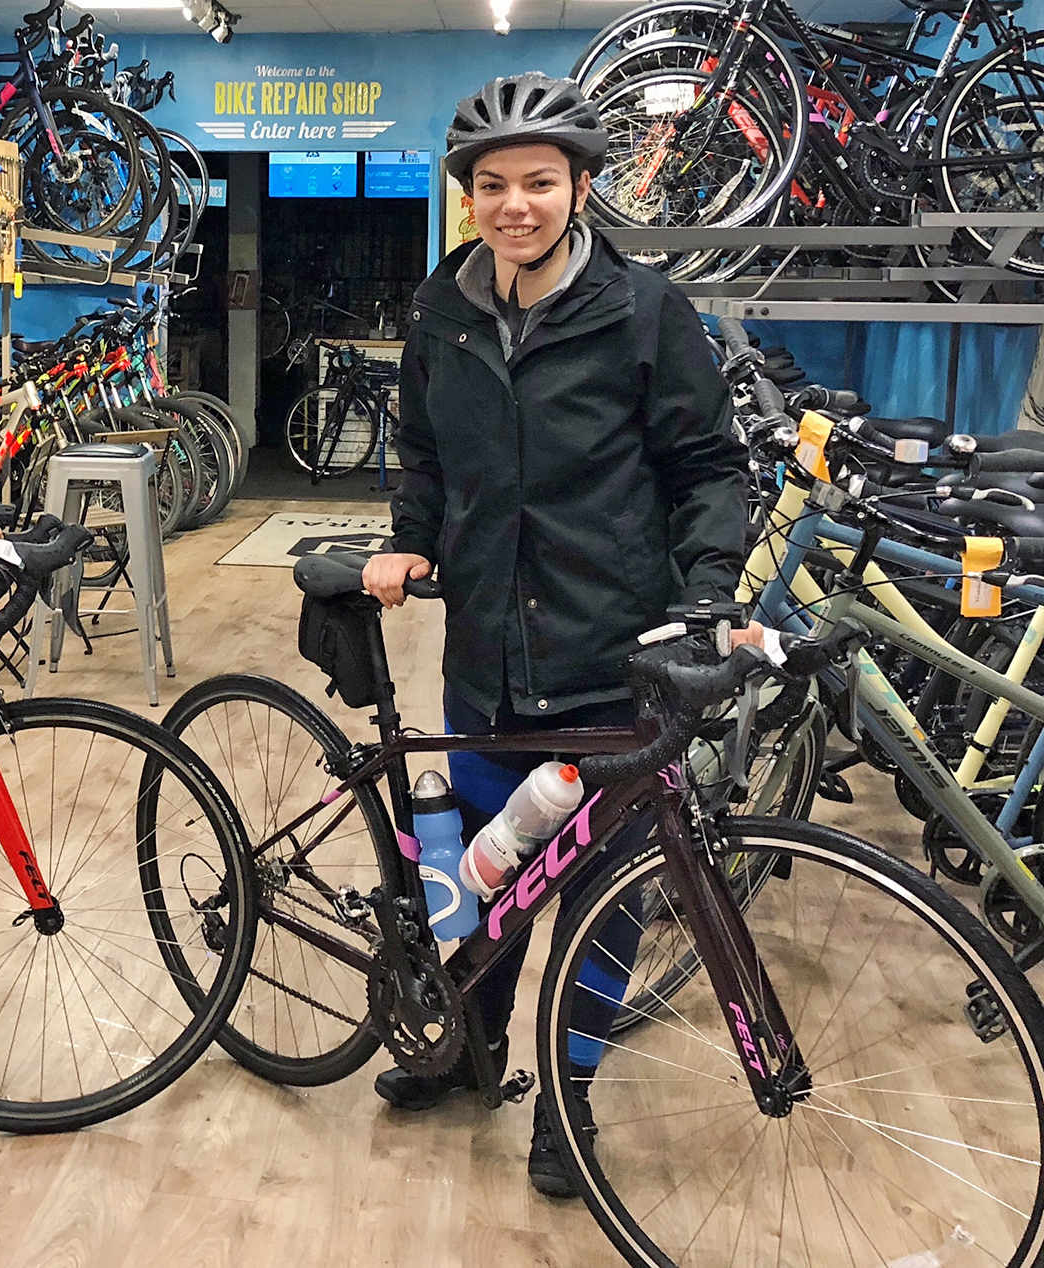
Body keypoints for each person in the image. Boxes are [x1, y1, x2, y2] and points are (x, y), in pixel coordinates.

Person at [360, 73, 753, 1197]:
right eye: (492, 185)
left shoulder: (643, 311)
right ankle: (469, 1049)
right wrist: (410, 537)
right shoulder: (442, 309)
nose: (515, 203)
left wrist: (712, 596)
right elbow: (424, 450)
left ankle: (565, 1097)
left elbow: (707, 468)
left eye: (539, 181)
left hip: (605, 660)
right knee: (482, 880)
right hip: (484, 657)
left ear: (580, 187)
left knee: (599, 901)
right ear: (468, 196)